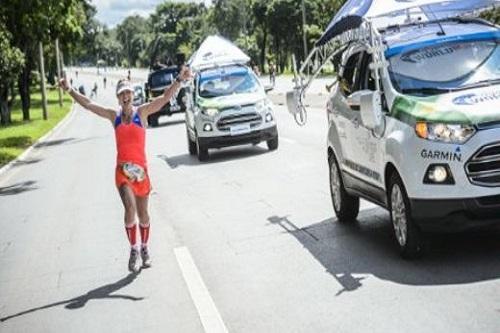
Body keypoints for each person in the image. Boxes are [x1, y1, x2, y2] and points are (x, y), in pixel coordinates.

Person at [59, 66, 192, 272]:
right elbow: (89, 104)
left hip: (141, 173)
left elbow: (165, 98)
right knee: (129, 209)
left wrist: (179, 80)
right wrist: (69, 89)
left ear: (133, 94)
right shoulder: (115, 116)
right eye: (122, 94)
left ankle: (145, 248)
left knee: (143, 214)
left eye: (128, 92)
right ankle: (134, 249)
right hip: (122, 172)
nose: (125, 96)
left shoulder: (142, 112)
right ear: (118, 98)